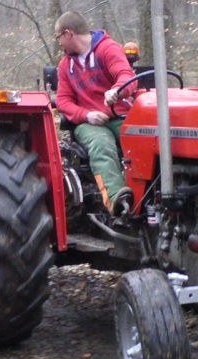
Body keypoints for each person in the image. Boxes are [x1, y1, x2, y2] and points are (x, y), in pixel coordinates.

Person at [54, 11, 136, 216]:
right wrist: (85, 115)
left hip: (120, 116)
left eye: (58, 38)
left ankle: (148, 196)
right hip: (89, 123)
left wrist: (117, 90)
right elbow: (63, 100)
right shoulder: (66, 66)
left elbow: (127, 77)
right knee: (101, 145)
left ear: (68, 34)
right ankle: (117, 200)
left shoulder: (108, 49)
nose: (59, 44)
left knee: (139, 140)